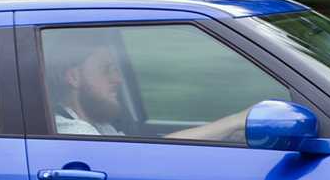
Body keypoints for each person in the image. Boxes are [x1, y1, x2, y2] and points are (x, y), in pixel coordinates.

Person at [47, 35, 255, 142]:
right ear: (74, 77)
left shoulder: (100, 126)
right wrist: (234, 121)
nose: (118, 79)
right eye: (106, 70)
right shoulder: (71, 131)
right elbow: (146, 156)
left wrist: (228, 133)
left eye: (116, 70)